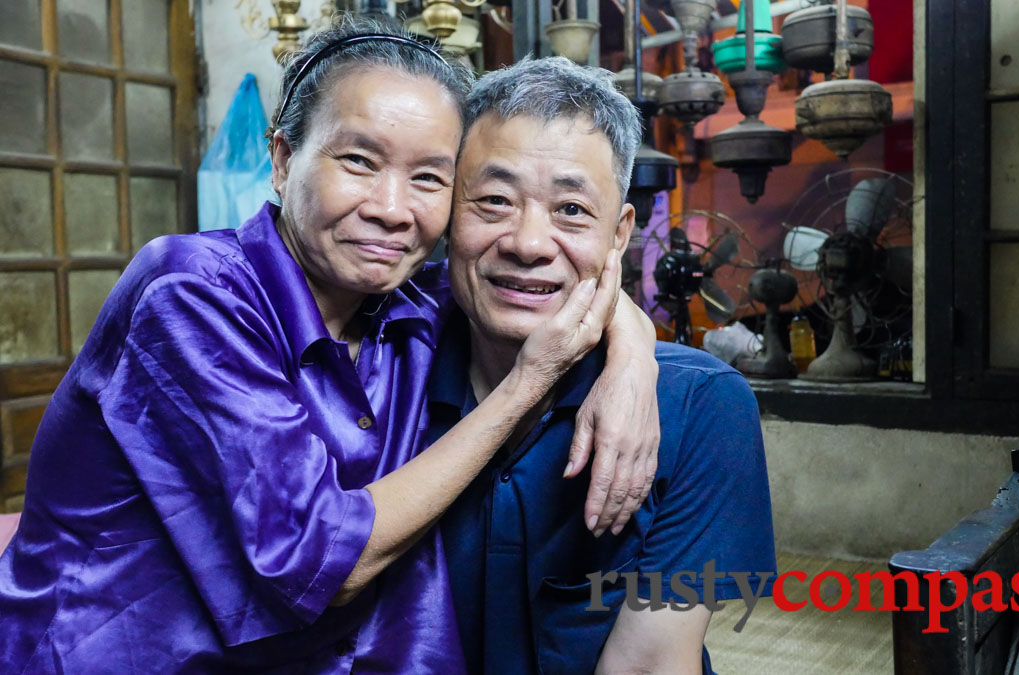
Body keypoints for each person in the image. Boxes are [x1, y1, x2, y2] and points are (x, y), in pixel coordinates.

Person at [0, 22, 662, 673]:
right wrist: (529, 382)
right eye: (359, 161)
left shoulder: (411, 301)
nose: (391, 207)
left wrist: (634, 360)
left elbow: (540, 271)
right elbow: (317, 560)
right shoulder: (191, 294)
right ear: (283, 159)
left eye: (430, 178)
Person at [431, 57, 777, 674]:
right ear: (447, 215)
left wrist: (634, 356)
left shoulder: (701, 409)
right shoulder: (383, 362)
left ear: (619, 236)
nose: (528, 243)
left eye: (571, 210)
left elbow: (647, 667)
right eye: (493, 200)